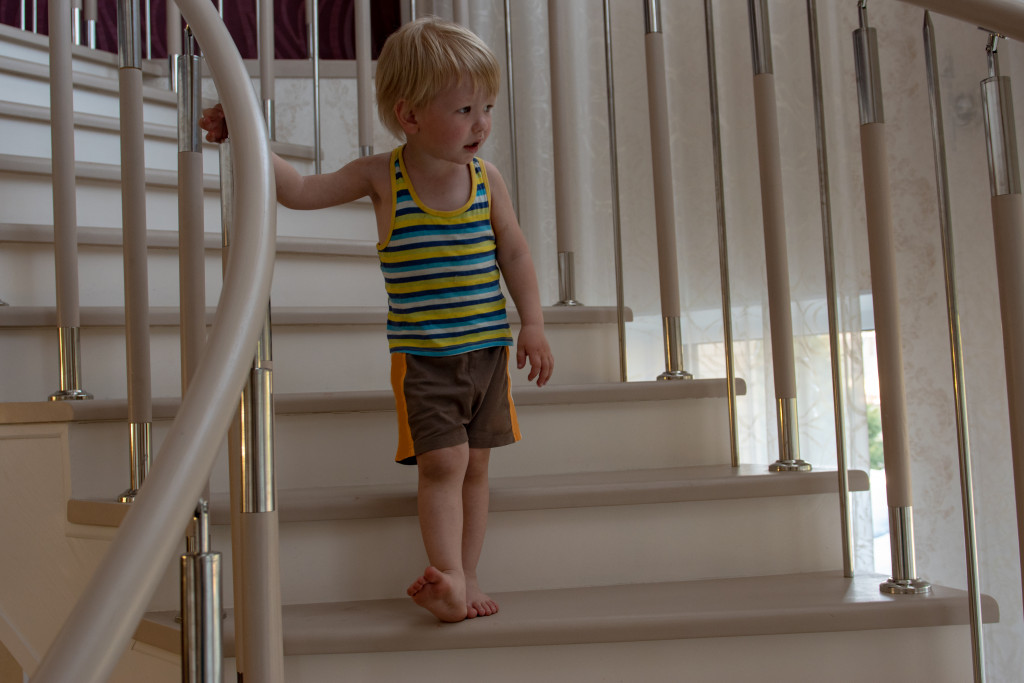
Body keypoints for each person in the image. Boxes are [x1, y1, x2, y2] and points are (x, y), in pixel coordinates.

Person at [200, 16, 553, 623]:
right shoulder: (381, 177)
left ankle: (467, 577)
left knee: (478, 467)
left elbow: (514, 251)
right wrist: (247, 133)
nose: (482, 124)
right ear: (410, 117)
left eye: (487, 107)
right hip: (424, 360)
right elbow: (301, 192)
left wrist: (535, 323)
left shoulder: (485, 179)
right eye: (465, 109)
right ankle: (445, 578)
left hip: (489, 353)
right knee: (444, 464)